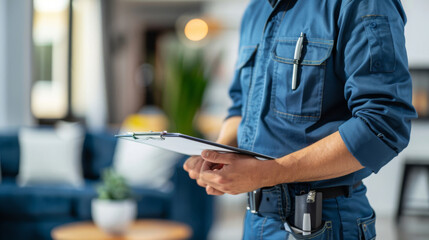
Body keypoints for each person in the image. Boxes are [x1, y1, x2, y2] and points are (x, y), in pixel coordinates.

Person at [184, 0, 417, 239]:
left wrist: (266, 173)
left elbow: (383, 124)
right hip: (255, 223)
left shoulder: (361, 3)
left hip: (323, 224)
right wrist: (215, 156)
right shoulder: (256, 9)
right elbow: (241, 106)